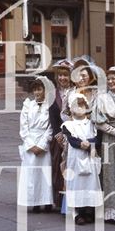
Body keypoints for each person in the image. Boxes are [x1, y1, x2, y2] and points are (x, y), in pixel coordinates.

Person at [94, 66, 115, 224]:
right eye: (108, 79)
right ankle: (110, 210)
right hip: (109, 139)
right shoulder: (101, 98)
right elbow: (98, 122)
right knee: (110, 174)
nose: (110, 81)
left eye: (114, 78)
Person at [62, 95, 103, 225]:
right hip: (76, 157)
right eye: (76, 106)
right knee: (77, 184)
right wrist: (82, 144)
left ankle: (89, 211)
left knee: (90, 184)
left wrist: (89, 143)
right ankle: (78, 213)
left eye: (81, 105)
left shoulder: (92, 124)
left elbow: (98, 139)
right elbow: (72, 140)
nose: (79, 108)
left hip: (89, 157)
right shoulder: (68, 124)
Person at [18, 78, 54, 212]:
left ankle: (47, 201)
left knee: (45, 174)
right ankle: (35, 202)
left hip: (43, 142)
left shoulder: (49, 106)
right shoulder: (28, 105)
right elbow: (23, 126)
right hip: (30, 142)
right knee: (32, 174)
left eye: (40, 89)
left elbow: (50, 127)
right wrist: (30, 144)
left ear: (45, 90)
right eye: (35, 90)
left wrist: (42, 145)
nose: (37, 92)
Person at [49, 59, 74, 210]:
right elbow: (53, 116)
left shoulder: (76, 92)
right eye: (60, 75)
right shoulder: (53, 94)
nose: (62, 78)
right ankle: (60, 202)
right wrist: (58, 135)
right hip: (59, 138)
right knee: (58, 168)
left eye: (65, 75)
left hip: (74, 136)